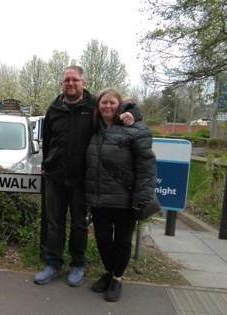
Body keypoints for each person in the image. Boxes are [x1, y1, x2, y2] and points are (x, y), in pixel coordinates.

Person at [35, 66, 140, 287]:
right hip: (55, 177)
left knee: (79, 225)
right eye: (66, 80)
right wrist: (46, 163)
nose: (70, 84)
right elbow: (47, 139)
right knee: (54, 224)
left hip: (82, 179)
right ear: (61, 83)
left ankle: (77, 264)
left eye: (75, 80)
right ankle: (52, 263)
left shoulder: (93, 105)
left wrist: (134, 113)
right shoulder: (54, 108)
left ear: (83, 82)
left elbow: (119, 106)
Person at [85, 88, 156, 302]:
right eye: (103, 103)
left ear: (120, 105)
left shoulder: (135, 128)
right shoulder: (94, 129)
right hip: (99, 198)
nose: (107, 106)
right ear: (98, 106)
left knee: (123, 241)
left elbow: (146, 166)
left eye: (112, 103)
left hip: (125, 199)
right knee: (102, 239)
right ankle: (108, 271)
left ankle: (117, 278)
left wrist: (141, 198)